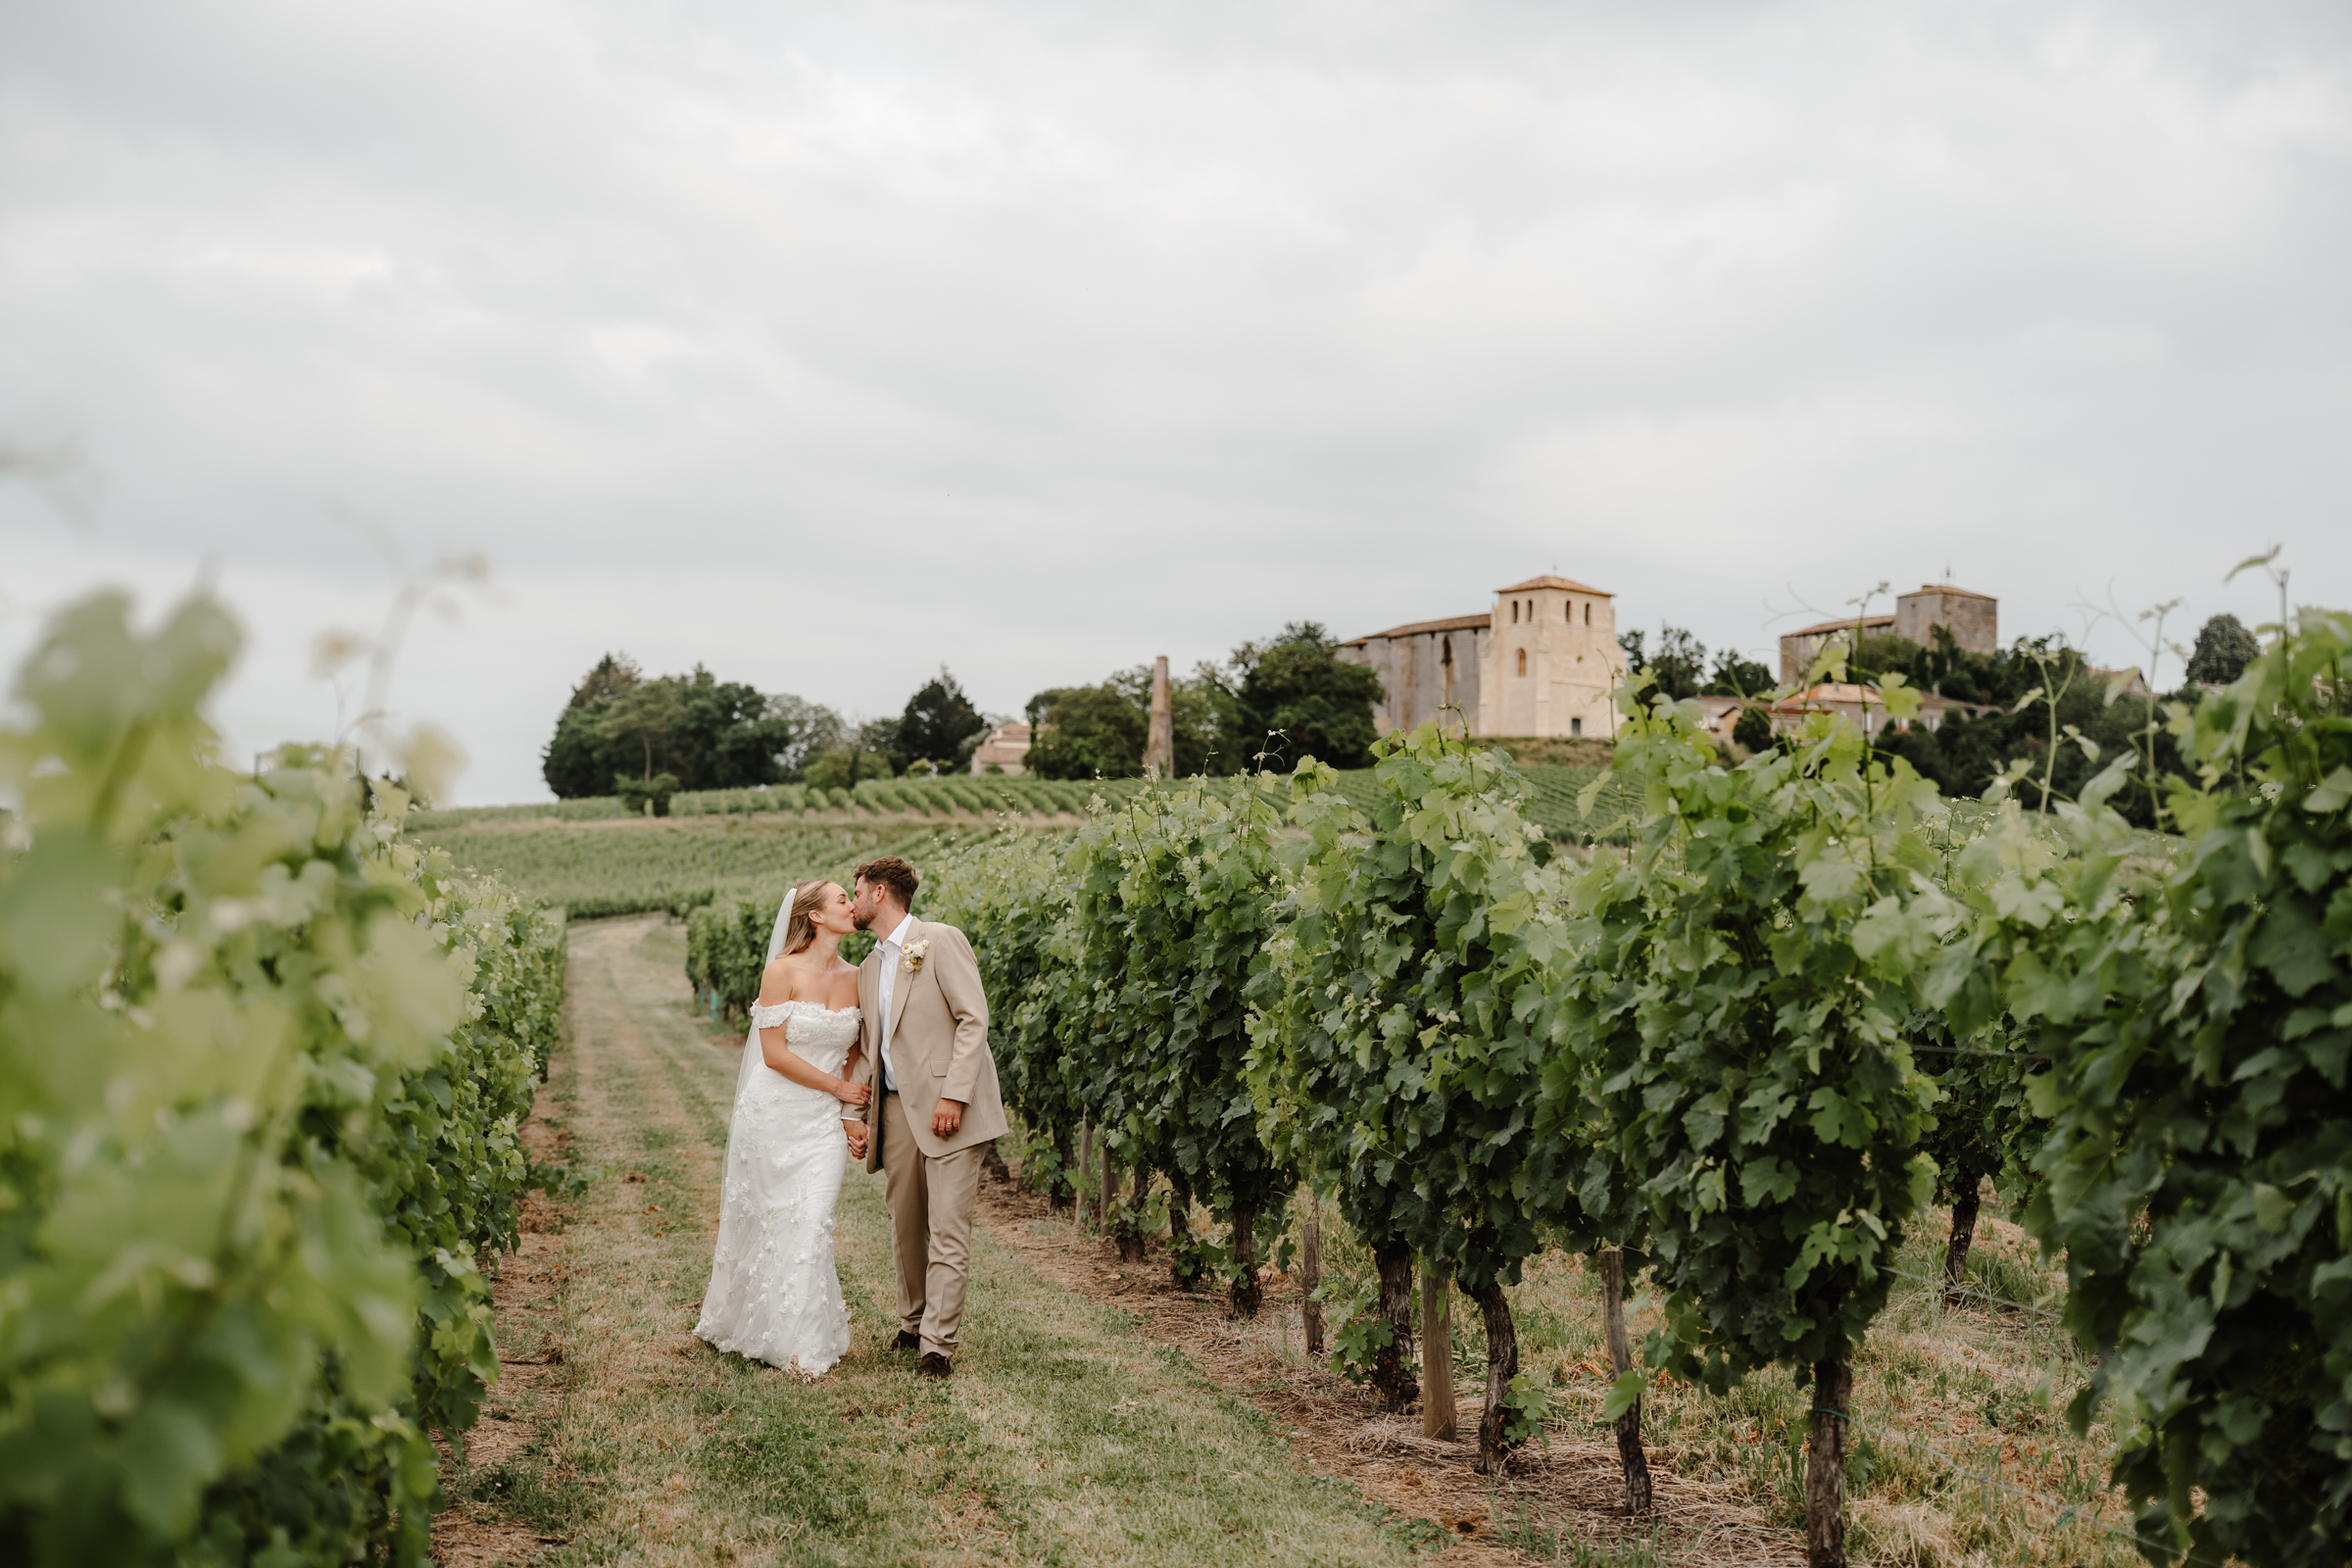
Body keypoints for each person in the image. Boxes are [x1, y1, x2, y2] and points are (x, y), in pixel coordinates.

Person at [692, 881, 872, 1375]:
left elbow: (855, 1052)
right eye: (841, 899)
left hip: (822, 1125)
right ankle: (761, 1327)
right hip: (775, 1113)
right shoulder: (782, 971)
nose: (851, 905)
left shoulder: (860, 976)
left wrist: (849, 1115)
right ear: (814, 916)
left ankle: (803, 1341)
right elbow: (773, 1055)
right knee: (771, 1221)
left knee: (812, 1222)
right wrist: (838, 1092)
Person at [845, 856, 1006, 1379]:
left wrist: (954, 1097)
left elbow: (972, 1018)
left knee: (948, 1229)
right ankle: (912, 1322)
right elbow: (870, 1046)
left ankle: (938, 1346)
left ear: (879, 893)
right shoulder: (868, 968)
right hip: (895, 1113)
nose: (850, 903)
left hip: (948, 1112)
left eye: (856, 892)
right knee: (905, 1225)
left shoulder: (940, 939)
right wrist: (856, 1112)